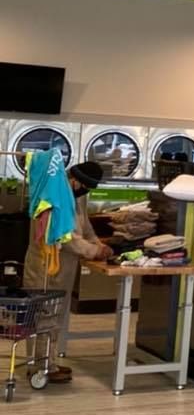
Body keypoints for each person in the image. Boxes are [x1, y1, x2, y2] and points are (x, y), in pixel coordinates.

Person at [23, 160, 111, 383]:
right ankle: (40, 368)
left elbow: (86, 228)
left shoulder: (74, 196)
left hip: (64, 267)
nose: (85, 192)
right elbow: (65, 238)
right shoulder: (54, 197)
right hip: (46, 267)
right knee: (44, 317)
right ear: (74, 180)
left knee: (55, 318)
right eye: (84, 187)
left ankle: (47, 363)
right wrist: (93, 251)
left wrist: (99, 245)